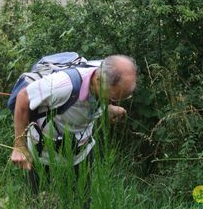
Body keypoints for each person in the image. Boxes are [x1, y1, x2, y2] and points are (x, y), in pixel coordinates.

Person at [10, 54, 137, 194]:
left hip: (81, 153)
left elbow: (90, 101)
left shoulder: (103, 71)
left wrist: (107, 109)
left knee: (81, 200)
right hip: (43, 153)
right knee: (37, 198)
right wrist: (19, 146)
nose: (116, 101)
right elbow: (23, 97)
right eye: (114, 97)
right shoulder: (62, 85)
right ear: (99, 80)